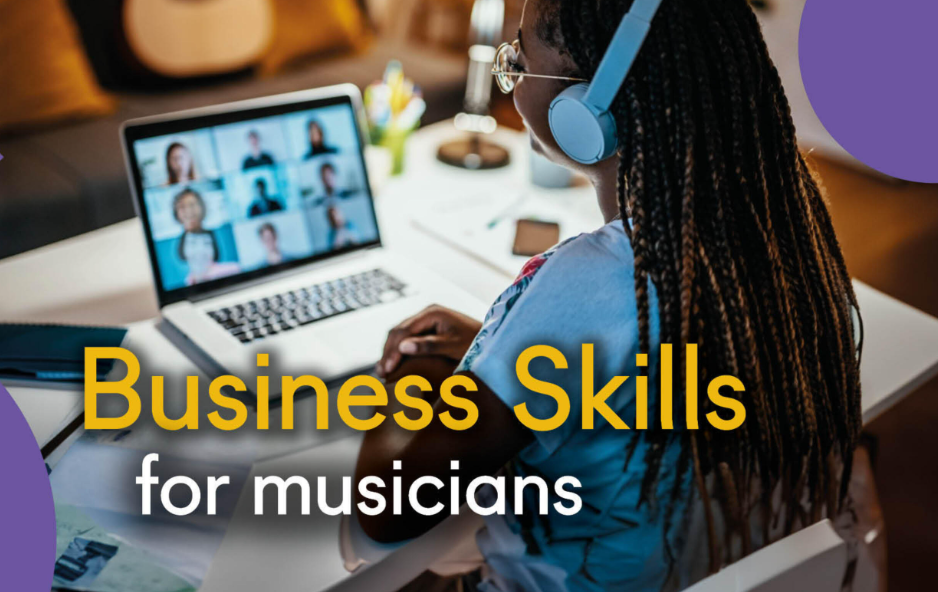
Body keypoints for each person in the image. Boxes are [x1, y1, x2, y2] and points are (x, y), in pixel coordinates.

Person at [357, 1, 865, 591]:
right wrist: (498, 351)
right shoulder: (781, 236)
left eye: (518, 61)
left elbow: (389, 510)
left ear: (587, 110)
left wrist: (409, 370)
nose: (511, 78)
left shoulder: (587, 282)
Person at [171, 189, 239, 285]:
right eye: (182, 207)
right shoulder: (189, 281)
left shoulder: (232, 269)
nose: (189, 210)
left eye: (192, 205)